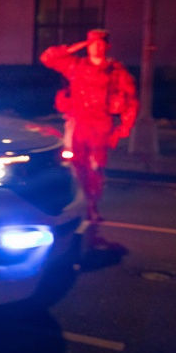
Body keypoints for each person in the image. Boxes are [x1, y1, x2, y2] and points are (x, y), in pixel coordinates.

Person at [41, 29, 138, 237]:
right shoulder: (76, 66)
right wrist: (74, 47)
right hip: (78, 124)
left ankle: (92, 205)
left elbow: (131, 98)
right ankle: (80, 205)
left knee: (96, 169)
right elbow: (48, 58)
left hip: (101, 126)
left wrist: (124, 127)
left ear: (107, 46)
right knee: (76, 167)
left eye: (100, 43)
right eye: (92, 43)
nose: (96, 47)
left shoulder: (115, 70)